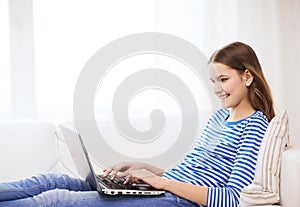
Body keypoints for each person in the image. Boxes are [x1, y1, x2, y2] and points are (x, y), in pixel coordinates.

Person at [0, 42, 275, 207]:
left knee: (55, 200)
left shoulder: (255, 128)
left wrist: (161, 183)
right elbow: (195, 172)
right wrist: (144, 170)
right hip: (167, 190)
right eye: (213, 81)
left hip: (178, 201)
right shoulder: (219, 118)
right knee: (52, 180)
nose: (217, 89)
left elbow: (231, 198)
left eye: (223, 80)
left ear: (248, 76)